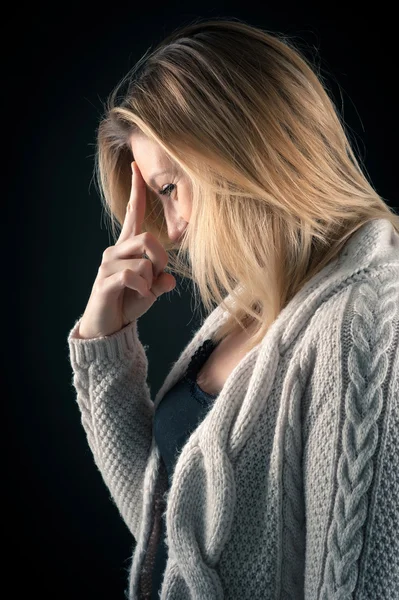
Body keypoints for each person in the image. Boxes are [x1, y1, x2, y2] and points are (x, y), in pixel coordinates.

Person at [66, 17, 399, 600]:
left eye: (169, 189)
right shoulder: (255, 300)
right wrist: (105, 345)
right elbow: (184, 545)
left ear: (238, 155)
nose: (170, 230)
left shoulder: (363, 327)